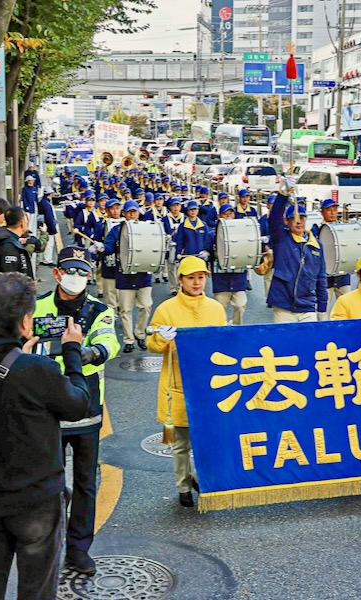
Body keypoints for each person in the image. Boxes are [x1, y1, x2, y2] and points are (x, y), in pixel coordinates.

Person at [0, 272, 93, 599]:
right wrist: (71, 351)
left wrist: (18, 354)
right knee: (37, 590)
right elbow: (77, 405)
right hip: (36, 499)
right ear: (26, 322)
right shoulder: (37, 370)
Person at [32, 247, 120, 576]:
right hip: (47, 409)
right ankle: (45, 542)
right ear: (56, 273)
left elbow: (110, 341)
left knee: (85, 482)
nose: (77, 278)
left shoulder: (99, 310)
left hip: (86, 409)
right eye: (71, 270)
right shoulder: (37, 306)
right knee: (47, 481)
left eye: (83, 272)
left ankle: (79, 547)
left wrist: (91, 351)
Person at [148, 257, 226, 507]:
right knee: (182, 443)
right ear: (180, 280)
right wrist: (163, 339)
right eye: (190, 277)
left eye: (201, 277)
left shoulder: (216, 308)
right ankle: (183, 487)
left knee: (209, 439)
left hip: (209, 386)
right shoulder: (166, 309)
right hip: (179, 386)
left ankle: (197, 477)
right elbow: (152, 344)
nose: (196, 282)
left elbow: (222, 347)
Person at [97, 200, 153, 353]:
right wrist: (102, 248)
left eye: (134, 212)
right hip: (124, 275)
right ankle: (129, 340)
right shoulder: (117, 230)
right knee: (125, 310)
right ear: (124, 213)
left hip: (143, 274)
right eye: (128, 212)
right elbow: (109, 246)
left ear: (138, 213)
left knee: (146, 306)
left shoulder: (147, 228)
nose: (131, 215)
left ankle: (140, 334)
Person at [267, 188, 327, 323]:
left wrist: (322, 306)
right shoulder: (281, 238)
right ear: (286, 221)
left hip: (307, 305)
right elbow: (274, 218)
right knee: (285, 342)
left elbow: (321, 277)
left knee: (309, 343)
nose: (298, 221)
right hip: (283, 305)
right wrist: (283, 194)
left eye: (302, 217)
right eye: (293, 218)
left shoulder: (317, 245)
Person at [315, 198, 351, 319]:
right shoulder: (317, 229)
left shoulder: (344, 228)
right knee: (323, 309)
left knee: (348, 307)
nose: (332, 213)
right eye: (329, 210)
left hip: (343, 275)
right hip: (325, 277)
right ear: (322, 212)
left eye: (334, 210)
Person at [212, 203, 248, 324]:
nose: (228, 217)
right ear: (219, 216)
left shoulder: (243, 234)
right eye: (225, 214)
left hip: (238, 278)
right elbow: (207, 249)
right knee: (220, 309)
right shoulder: (212, 234)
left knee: (240, 305)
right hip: (221, 279)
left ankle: (236, 328)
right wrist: (206, 253)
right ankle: (221, 332)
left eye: (230, 214)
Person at [0, 206, 41, 279]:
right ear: (22, 222)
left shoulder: (9, 239)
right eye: (26, 219)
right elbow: (9, 279)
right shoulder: (9, 246)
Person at [173, 200, 213, 264]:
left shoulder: (203, 225)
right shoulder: (183, 226)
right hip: (188, 257)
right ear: (188, 211)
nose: (193, 211)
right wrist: (177, 256)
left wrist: (207, 252)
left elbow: (207, 241)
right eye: (191, 209)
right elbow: (179, 242)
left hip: (201, 257)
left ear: (198, 210)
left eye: (195, 209)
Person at [37, 187, 58, 266]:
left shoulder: (42, 202)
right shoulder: (47, 204)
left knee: (43, 242)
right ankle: (47, 260)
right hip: (47, 227)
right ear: (50, 194)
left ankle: (43, 259)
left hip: (42, 224)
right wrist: (53, 228)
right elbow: (49, 217)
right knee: (49, 244)